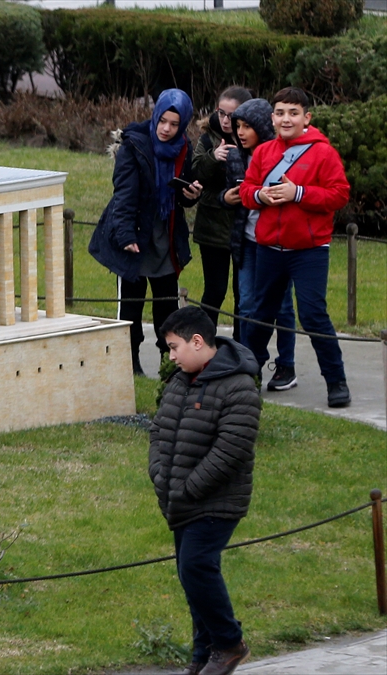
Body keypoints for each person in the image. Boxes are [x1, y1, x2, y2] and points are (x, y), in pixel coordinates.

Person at [150, 306, 260, 675]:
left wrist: (188, 487)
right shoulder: (181, 380)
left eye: (174, 347)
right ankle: (202, 655)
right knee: (189, 574)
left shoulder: (239, 385)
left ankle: (229, 643)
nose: (171, 356)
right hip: (180, 499)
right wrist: (159, 475)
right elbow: (158, 430)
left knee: (197, 566)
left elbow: (233, 448)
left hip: (215, 501)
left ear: (197, 342)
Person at [238, 87, 351, 407]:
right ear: (272, 118)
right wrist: (261, 196)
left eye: (293, 113)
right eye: (280, 112)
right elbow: (247, 191)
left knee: (314, 315)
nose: (286, 119)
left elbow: (339, 195)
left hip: (310, 250)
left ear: (306, 118)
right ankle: (246, 378)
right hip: (269, 248)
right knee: (261, 315)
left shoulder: (323, 153)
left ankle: (336, 381)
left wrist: (298, 193)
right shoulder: (262, 153)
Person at [89, 88, 202, 376]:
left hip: (165, 238)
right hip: (134, 236)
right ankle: (129, 363)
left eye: (174, 124)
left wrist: (191, 194)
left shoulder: (183, 147)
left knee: (167, 306)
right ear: (155, 116)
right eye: (163, 120)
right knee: (130, 306)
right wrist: (126, 236)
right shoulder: (134, 145)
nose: (166, 128)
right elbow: (124, 194)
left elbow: (182, 190)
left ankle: (170, 362)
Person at [222, 98, 298, 391]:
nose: (240, 132)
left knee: (281, 306)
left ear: (263, 127)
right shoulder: (235, 158)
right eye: (238, 126)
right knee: (247, 304)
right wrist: (227, 198)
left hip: (279, 244)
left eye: (247, 126)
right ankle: (249, 363)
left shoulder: (284, 157)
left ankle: (286, 365)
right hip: (248, 242)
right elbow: (232, 197)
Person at [191, 86, 251, 332]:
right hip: (212, 228)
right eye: (221, 113)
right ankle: (206, 347)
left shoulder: (252, 137)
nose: (226, 121)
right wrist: (214, 157)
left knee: (243, 295)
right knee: (214, 292)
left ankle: (241, 350)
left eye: (232, 115)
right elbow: (196, 175)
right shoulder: (207, 137)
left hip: (244, 228)